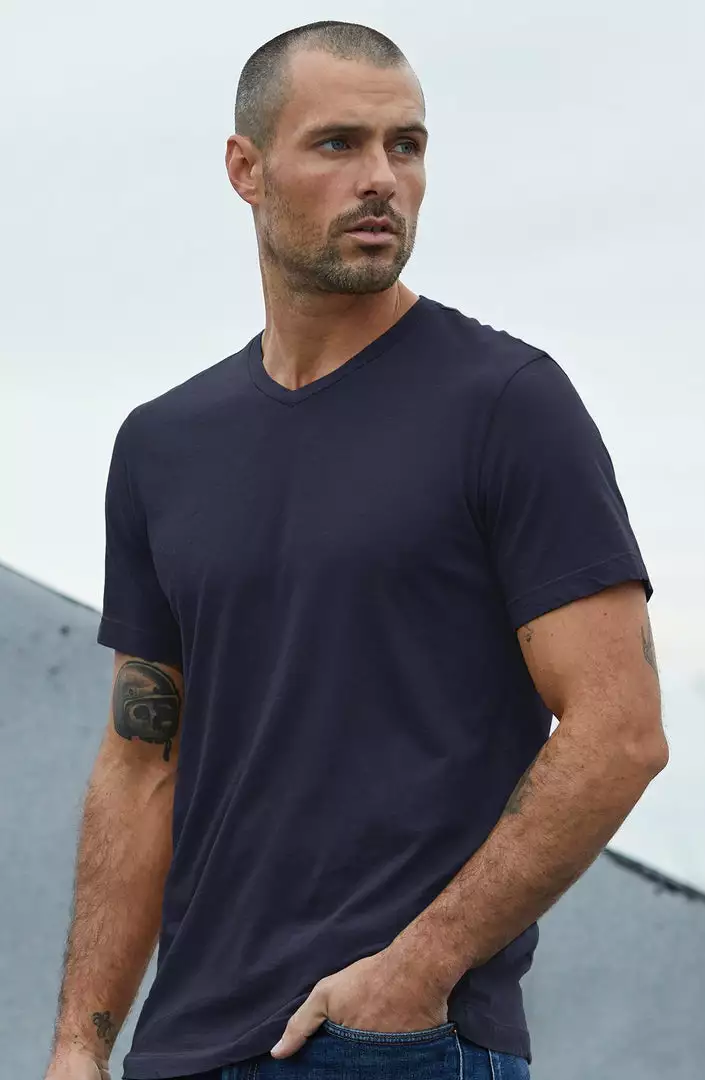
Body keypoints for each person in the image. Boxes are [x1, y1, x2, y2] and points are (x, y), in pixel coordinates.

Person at [45, 19, 669, 1080]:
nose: (382, 178)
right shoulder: (163, 446)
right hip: (182, 1049)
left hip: (396, 1043)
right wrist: (77, 1043)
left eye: (406, 145)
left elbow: (620, 731)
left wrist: (416, 970)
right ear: (245, 169)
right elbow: (144, 761)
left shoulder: (507, 405)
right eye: (339, 143)